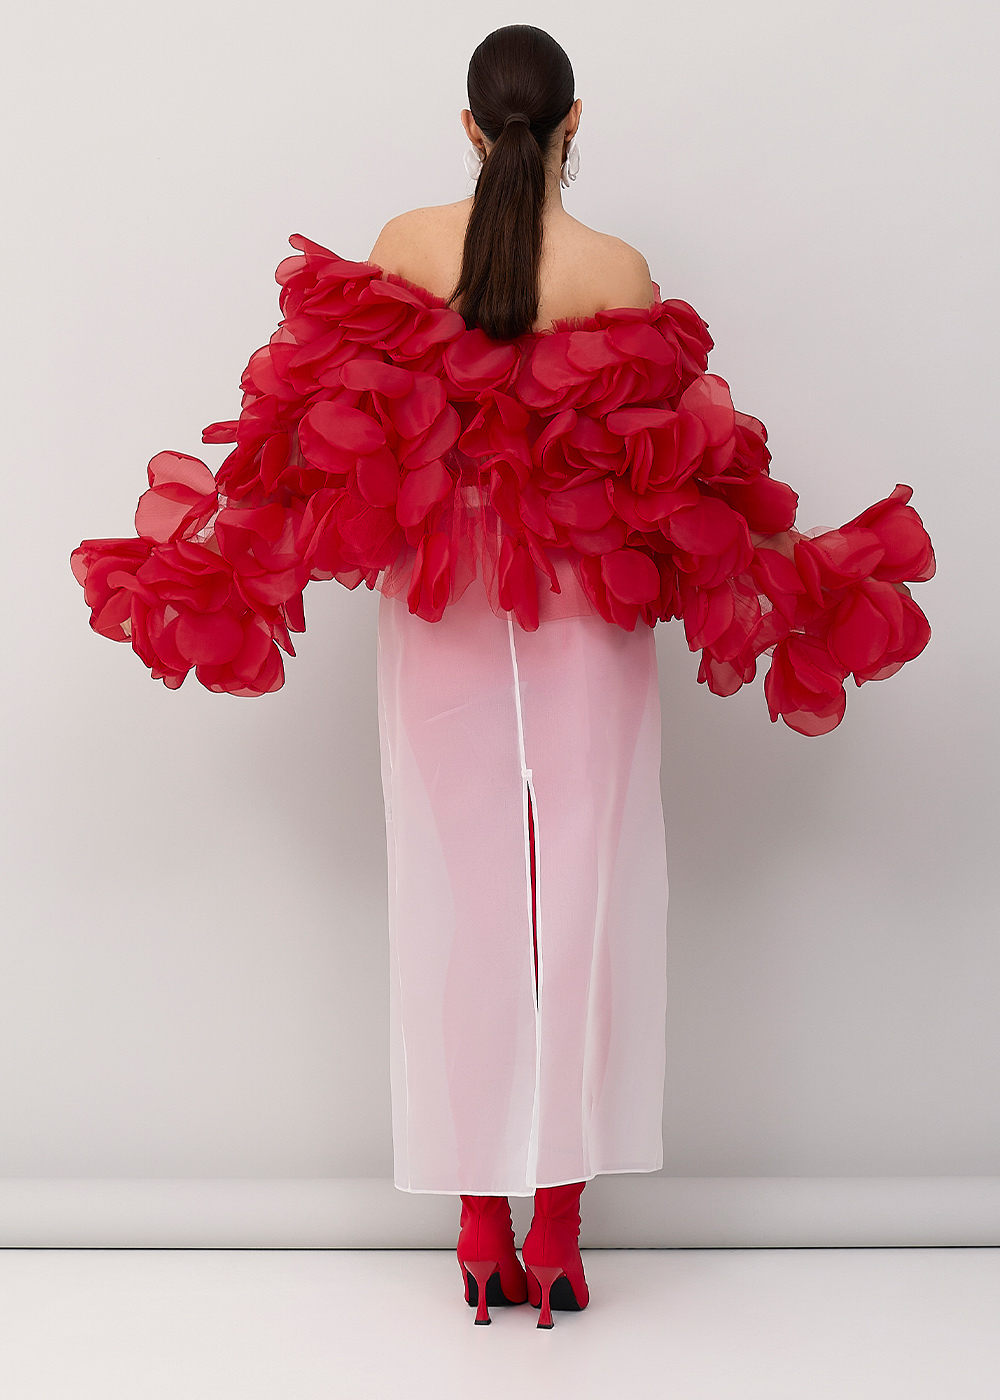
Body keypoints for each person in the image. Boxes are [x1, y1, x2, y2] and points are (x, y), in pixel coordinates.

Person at [70, 24, 935, 1331]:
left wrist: (221, 560)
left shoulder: (406, 247)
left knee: (458, 889)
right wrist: (799, 582)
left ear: (473, 128)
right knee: (582, 892)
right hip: (589, 610)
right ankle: (563, 1236)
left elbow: (301, 440)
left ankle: (479, 1230)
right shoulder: (618, 268)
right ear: (574, 124)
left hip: (444, 605)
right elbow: (698, 474)